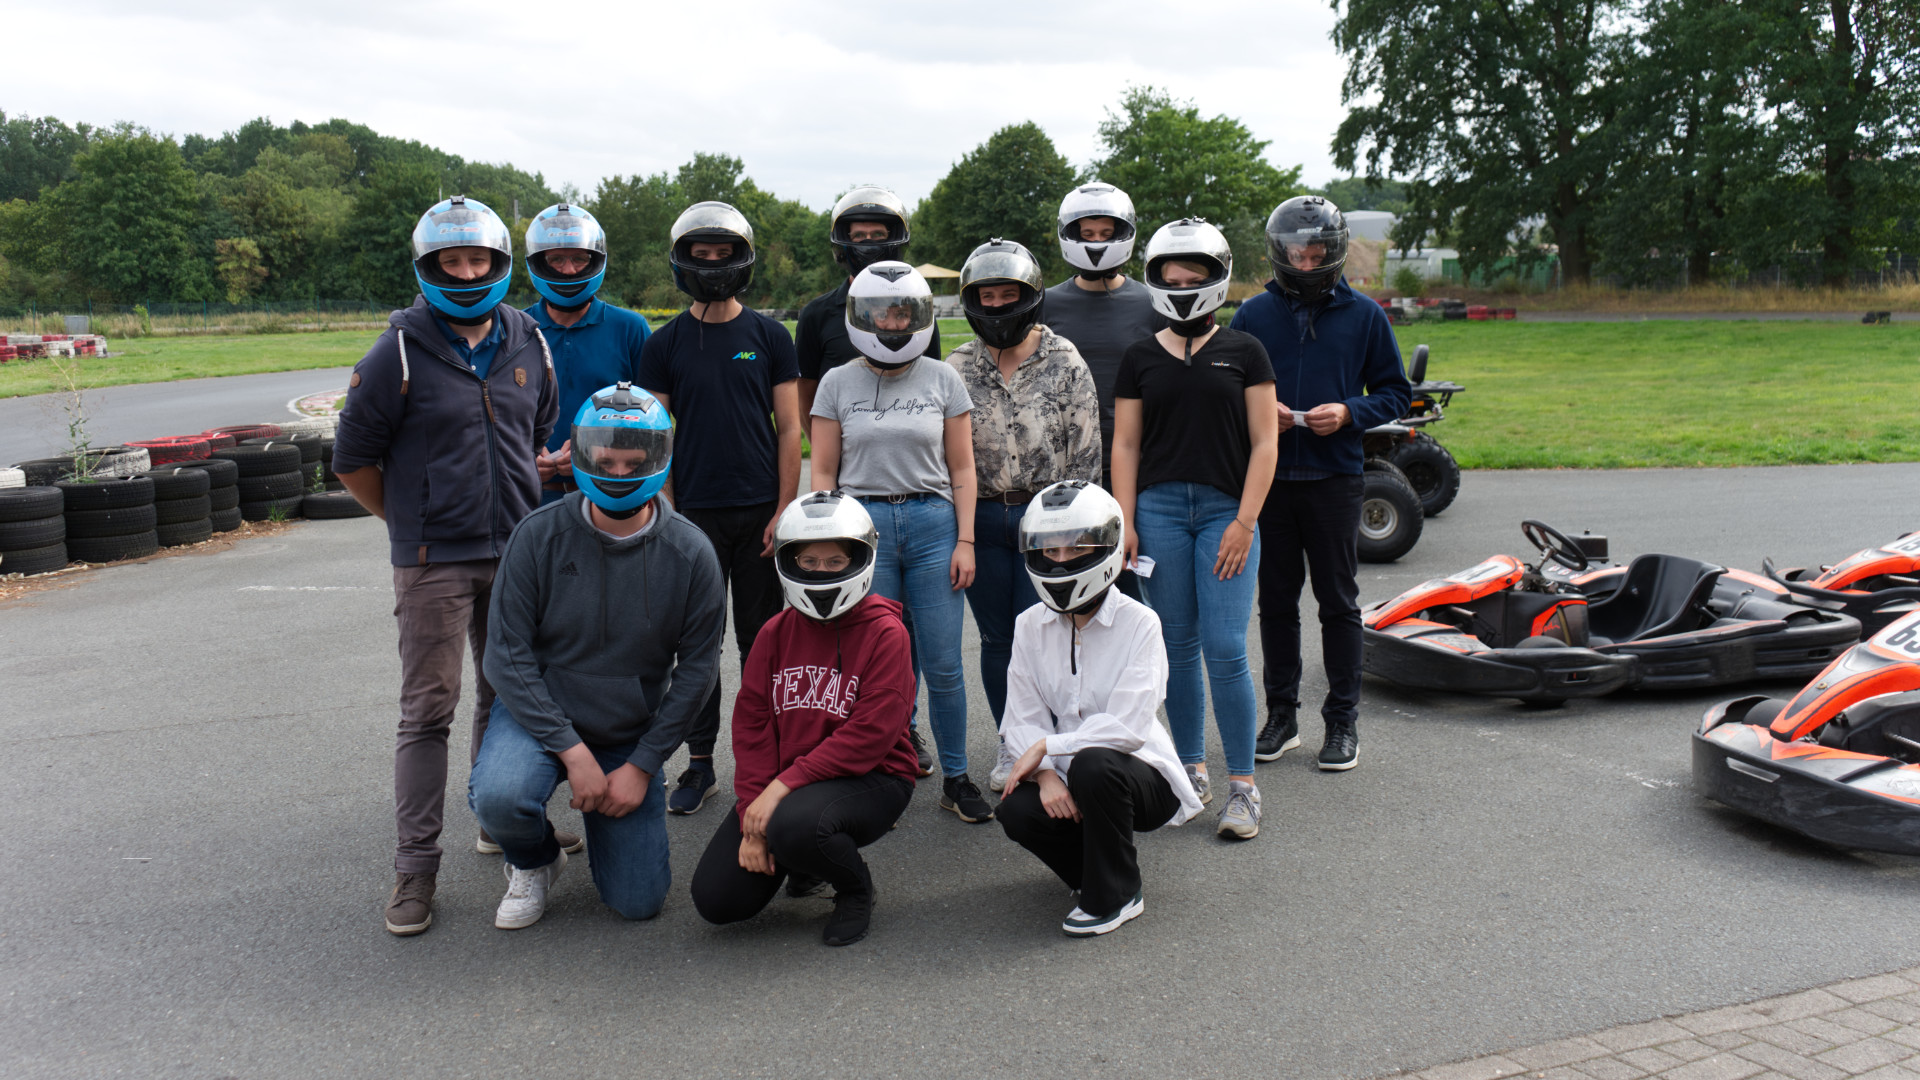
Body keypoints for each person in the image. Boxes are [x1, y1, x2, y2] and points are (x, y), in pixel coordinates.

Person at [331, 195, 568, 936]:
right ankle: (414, 869)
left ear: (500, 265)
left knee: (507, 700)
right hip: (434, 560)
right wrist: (412, 523)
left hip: (518, 554)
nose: (466, 273)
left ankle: (494, 820)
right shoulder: (396, 350)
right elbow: (352, 463)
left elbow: (536, 432)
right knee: (427, 712)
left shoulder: (529, 338)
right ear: (427, 268)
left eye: (479, 261)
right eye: (450, 262)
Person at [469, 383, 726, 928]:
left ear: (660, 460)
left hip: (628, 730)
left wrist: (644, 763)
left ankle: (611, 827)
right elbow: (506, 655)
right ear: (581, 454)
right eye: (604, 461)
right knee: (499, 797)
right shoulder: (537, 535)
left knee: (638, 903)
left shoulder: (692, 552)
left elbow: (699, 671)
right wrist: (571, 751)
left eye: (635, 463)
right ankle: (535, 859)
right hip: (541, 717)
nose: (618, 474)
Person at [1110, 218, 1279, 840]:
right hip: (1157, 514)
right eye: (1172, 279)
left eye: (1195, 278)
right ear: (1156, 281)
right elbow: (1125, 445)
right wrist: (1126, 520)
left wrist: (1244, 521)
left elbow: (1265, 443)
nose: (1183, 287)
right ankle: (1190, 771)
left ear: (1216, 279)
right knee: (1176, 649)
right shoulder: (1139, 356)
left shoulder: (1245, 350)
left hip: (1224, 514)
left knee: (1227, 649)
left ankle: (1243, 786)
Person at [1229, 196, 1410, 772]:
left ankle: (1342, 723)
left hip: (1335, 478)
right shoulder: (1253, 315)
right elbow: (1225, 382)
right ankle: (1281, 718)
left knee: (1338, 604)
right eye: (1295, 255)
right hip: (1271, 480)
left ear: (1334, 253)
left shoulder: (1366, 315)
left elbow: (1396, 392)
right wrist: (1262, 410)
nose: (1305, 265)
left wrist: (1351, 413)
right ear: (1278, 254)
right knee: (1277, 604)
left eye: (1316, 255)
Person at [690, 492, 918, 946]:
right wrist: (751, 809)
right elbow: (752, 728)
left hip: (876, 777)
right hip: (788, 789)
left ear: (860, 559)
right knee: (718, 900)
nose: (821, 571)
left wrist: (779, 792)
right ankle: (803, 859)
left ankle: (854, 887)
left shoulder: (886, 632)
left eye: (835, 561)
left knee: (794, 824)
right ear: (789, 561)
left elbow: (870, 736)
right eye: (809, 560)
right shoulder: (775, 632)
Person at [809, 261, 991, 824]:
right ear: (862, 317)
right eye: (882, 312)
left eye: (903, 312)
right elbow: (822, 473)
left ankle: (957, 777)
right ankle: (881, 767)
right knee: (875, 662)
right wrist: (832, 545)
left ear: (919, 316)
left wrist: (967, 539)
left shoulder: (943, 378)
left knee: (942, 663)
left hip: (935, 524)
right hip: (865, 530)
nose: (893, 321)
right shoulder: (837, 382)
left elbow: (963, 468)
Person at [637, 201, 803, 817]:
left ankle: (769, 760)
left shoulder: (768, 336)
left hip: (761, 513)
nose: (713, 266)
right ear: (683, 264)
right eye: (701, 257)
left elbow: (791, 429)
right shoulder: (664, 345)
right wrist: (671, 516)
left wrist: (785, 508)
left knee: (763, 643)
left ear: (742, 260)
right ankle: (700, 763)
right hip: (694, 518)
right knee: (698, 647)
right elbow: (658, 436)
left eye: (723, 256)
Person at [997, 481, 1201, 936]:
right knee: (1016, 810)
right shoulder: (1028, 626)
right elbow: (1020, 718)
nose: (1060, 561)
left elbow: (1127, 729)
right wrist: (1046, 773)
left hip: (1140, 777)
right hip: (1073, 771)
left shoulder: (1141, 623)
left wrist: (1048, 746)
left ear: (1105, 547)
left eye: (1076, 548)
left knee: (1093, 764)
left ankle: (1118, 892)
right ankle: (1092, 874)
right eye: (1049, 550)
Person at [793, 186, 940, 777]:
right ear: (841, 242)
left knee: (910, 630)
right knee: (860, 625)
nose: (869, 242)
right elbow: (810, 402)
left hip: (916, 490)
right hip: (853, 492)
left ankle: (904, 724)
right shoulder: (818, 315)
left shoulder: (915, 304)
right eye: (858, 234)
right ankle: (854, 730)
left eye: (880, 233)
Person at [945, 238, 1100, 793]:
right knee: (998, 642)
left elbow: (1085, 452)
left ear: (1030, 296)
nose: (995, 305)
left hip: (1049, 523)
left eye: (1006, 295)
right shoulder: (957, 366)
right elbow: (945, 454)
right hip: (984, 520)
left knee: (1054, 637)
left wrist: (1080, 530)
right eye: (985, 297)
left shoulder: (1064, 360)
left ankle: (1058, 744)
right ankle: (1014, 745)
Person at [1043, 182, 1167, 601]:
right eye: (1087, 234)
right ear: (1069, 237)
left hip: (1136, 467)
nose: (1096, 243)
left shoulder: (1152, 302)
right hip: (1065, 467)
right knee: (1072, 588)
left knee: (1137, 593)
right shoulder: (1045, 305)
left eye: (1105, 234)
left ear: (1124, 235)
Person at [520, 202, 653, 506]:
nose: (568, 269)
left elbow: (652, 420)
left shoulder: (630, 328)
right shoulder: (517, 329)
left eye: (579, 258)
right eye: (556, 259)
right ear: (540, 263)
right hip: (529, 497)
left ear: (595, 260)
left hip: (609, 495)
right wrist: (525, 457)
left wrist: (592, 452)